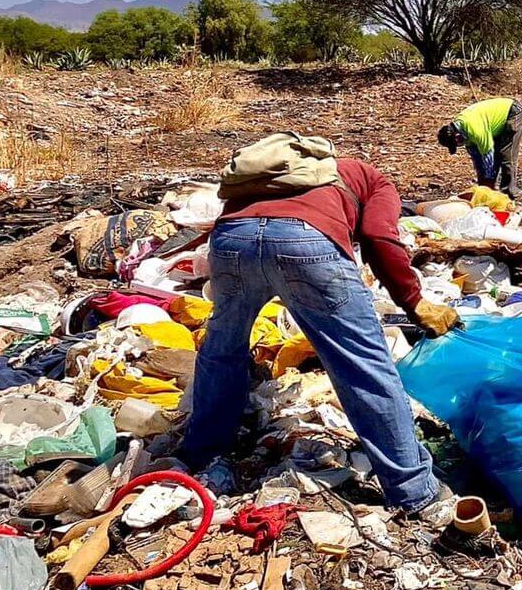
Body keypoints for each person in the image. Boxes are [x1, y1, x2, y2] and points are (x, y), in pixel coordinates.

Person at [180, 146, 462, 524]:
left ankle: (203, 457)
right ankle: (413, 492)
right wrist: (413, 301)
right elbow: (380, 237)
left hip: (232, 241)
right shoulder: (374, 179)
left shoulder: (279, 174)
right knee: (362, 365)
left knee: (222, 350)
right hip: (307, 244)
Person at [438, 98, 522, 197]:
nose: (460, 145)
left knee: (506, 154)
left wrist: (487, 184)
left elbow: (488, 156)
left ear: (457, 137)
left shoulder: (475, 131)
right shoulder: (463, 134)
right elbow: (477, 159)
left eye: (457, 144)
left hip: (512, 112)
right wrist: (481, 184)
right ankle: (493, 190)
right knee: (492, 160)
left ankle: (510, 192)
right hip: (492, 123)